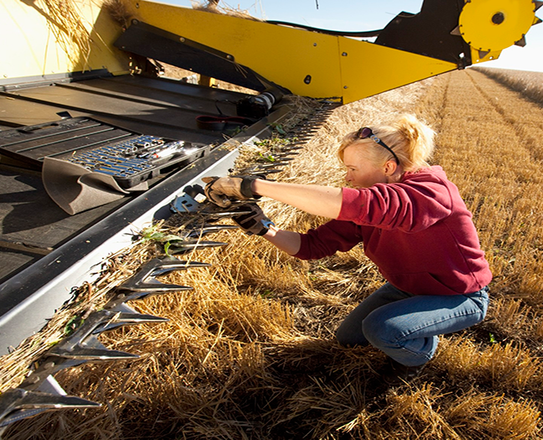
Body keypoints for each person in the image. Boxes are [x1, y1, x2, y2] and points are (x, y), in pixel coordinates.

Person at [202, 114, 491, 379]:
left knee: (382, 329)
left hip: (458, 295)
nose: (347, 177)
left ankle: (419, 354)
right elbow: (311, 246)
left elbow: (358, 204)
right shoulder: (370, 206)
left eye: (352, 169)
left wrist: (252, 186)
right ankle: (414, 322)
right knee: (349, 338)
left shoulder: (430, 194)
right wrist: (264, 228)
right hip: (407, 289)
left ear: (388, 167)